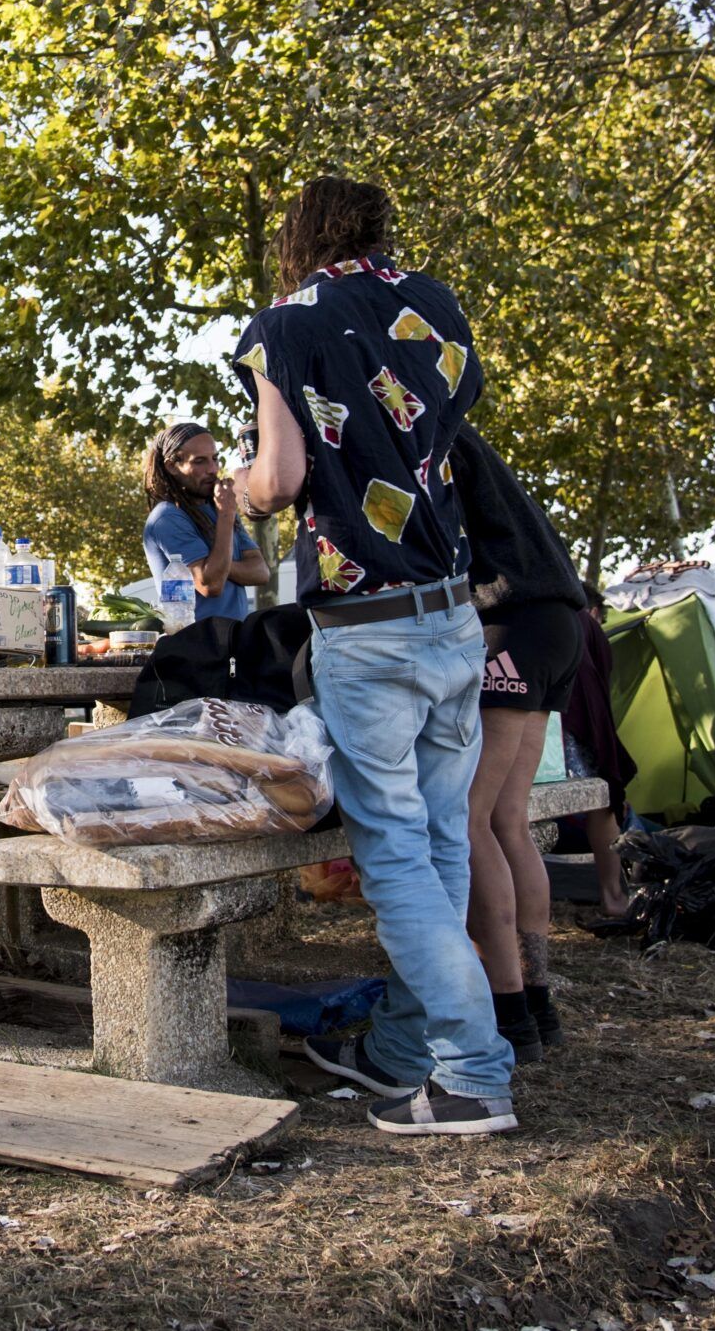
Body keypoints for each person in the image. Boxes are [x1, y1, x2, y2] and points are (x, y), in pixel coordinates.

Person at [234, 173, 514, 1136]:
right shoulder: (434, 303)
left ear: (297, 235)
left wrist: (242, 487)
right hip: (452, 612)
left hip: (367, 620)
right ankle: (414, 1052)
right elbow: (444, 427)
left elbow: (281, 477)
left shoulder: (285, 322)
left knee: (395, 855)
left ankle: (475, 1072)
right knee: (443, 843)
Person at [450, 424, 586, 1064]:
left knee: (468, 818)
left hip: (510, 622)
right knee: (509, 819)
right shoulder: (461, 433)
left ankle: (507, 1007)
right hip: (562, 623)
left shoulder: (422, 439)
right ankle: (539, 1004)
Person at [140, 422, 272, 622]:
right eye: (199, 461)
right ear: (172, 466)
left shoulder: (218, 507)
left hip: (234, 641)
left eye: (215, 458)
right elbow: (211, 584)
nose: (212, 469)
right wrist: (226, 515)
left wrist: (217, 564)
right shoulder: (167, 518)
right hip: (197, 645)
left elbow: (261, 572)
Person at [561, 593, 639, 924]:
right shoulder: (584, 623)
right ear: (594, 610)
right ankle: (614, 897)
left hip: (529, 721)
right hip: (579, 729)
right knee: (603, 802)